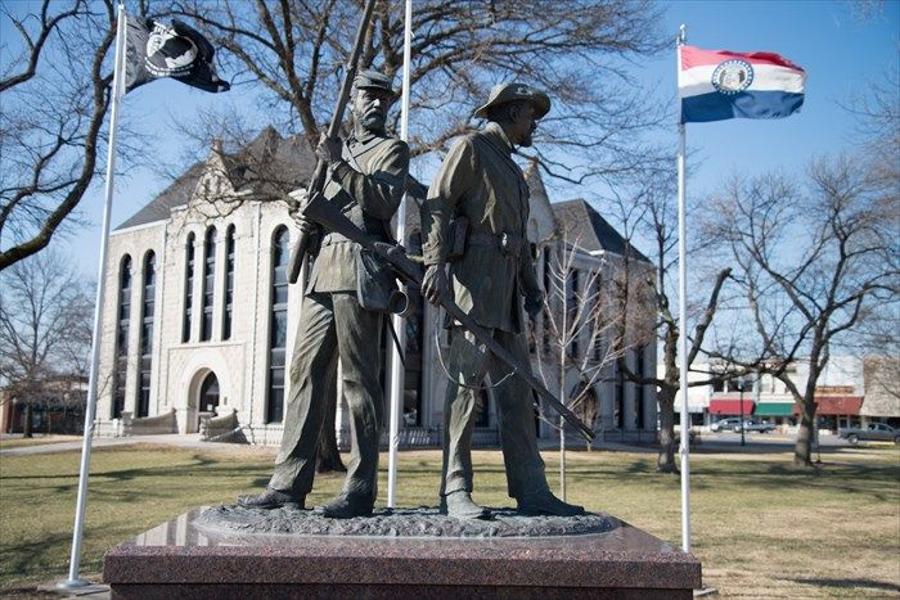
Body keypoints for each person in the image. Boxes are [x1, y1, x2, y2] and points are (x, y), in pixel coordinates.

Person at [239, 70, 409, 519]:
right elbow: (323, 210)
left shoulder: (391, 150)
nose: (376, 104)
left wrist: (338, 166)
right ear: (352, 101)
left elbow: (380, 204)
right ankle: (288, 483)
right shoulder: (333, 152)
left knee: (359, 383)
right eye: (368, 96)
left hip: (359, 269)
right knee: (304, 373)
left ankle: (360, 488)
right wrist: (305, 216)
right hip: (321, 270)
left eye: (383, 98)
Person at [421, 83, 586, 519]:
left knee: (517, 395)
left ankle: (531, 488)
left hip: (508, 294)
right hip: (473, 288)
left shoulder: (514, 170)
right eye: (531, 116)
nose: (534, 125)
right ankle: (454, 488)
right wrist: (434, 263)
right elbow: (436, 202)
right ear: (512, 112)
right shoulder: (471, 148)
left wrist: (532, 285)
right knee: (463, 390)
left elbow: (520, 239)